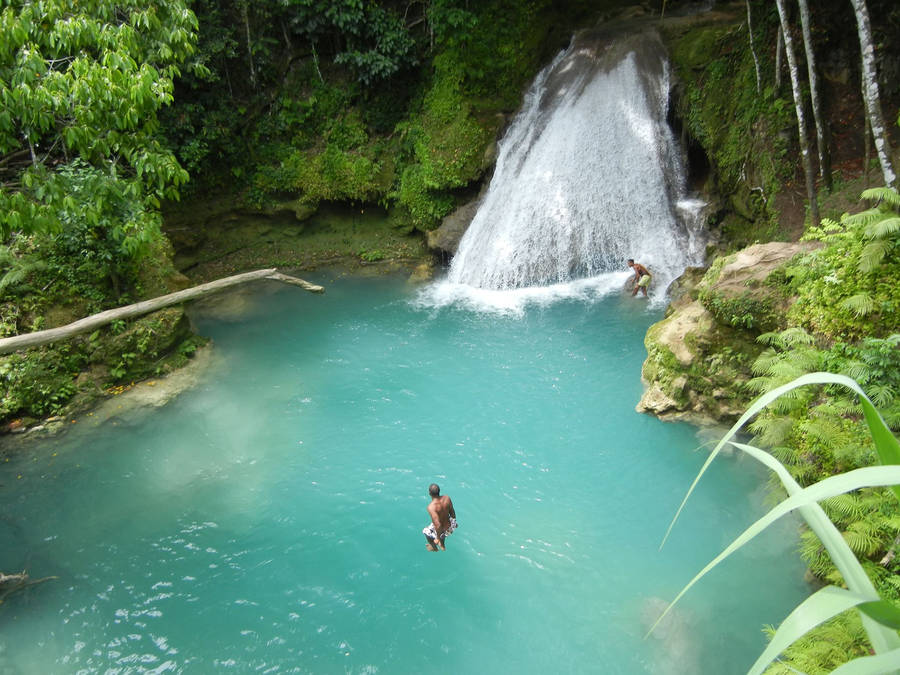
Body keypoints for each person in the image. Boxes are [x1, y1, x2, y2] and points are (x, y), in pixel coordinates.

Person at [423, 483, 457, 551]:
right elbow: (452, 513)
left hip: (442, 532)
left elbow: (438, 526)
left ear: (429, 493)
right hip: (451, 527)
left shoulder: (431, 507)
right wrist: (453, 522)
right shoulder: (447, 498)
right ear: (439, 491)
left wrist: (437, 538)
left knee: (425, 531)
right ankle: (442, 545)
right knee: (440, 526)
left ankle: (434, 547)